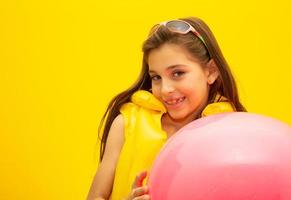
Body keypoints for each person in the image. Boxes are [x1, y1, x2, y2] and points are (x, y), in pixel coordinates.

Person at [87, 17, 247, 200]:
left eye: (178, 73)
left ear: (210, 71)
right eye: (156, 77)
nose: (165, 90)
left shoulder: (232, 133)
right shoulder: (126, 124)